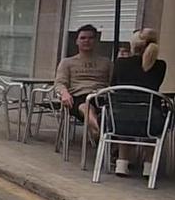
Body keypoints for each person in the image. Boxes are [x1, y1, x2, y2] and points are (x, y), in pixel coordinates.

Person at [110, 28, 167, 177]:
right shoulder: (160, 66)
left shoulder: (120, 63)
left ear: (133, 45)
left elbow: (113, 86)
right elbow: (156, 85)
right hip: (149, 119)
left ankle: (121, 163)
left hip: (119, 119)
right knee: (150, 114)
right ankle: (148, 166)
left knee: (126, 111)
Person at [54, 25, 111, 142]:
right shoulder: (67, 62)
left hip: (102, 96)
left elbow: (113, 82)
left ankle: (104, 137)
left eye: (90, 38)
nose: (86, 41)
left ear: (96, 41)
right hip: (77, 98)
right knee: (86, 106)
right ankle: (98, 131)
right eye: (83, 38)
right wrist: (64, 93)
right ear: (77, 41)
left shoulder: (107, 63)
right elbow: (60, 82)